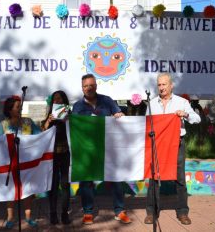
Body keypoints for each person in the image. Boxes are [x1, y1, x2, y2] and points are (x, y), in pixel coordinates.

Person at [72, 74, 131, 225]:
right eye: (86, 86)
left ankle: (119, 210)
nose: (89, 88)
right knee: (86, 181)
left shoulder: (107, 100)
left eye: (91, 85)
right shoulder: (77, 106)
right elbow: (75, 127)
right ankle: (88, 212)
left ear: (96, 86)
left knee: (116, 179)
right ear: (82, 88)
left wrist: (119, 114)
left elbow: (119, 114)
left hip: (108, 148)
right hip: (88, 150)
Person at [144, 73, 201, 226]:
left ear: (171, 85)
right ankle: (151, 211)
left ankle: (182, 212)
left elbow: (197, 119)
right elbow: (146, 123)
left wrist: (186, 114)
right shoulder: (152, 104)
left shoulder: (182, 102)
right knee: (154, 176)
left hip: (177, 143)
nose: (161, 88)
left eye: (164, 84)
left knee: (180, 178)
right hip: (157, 144)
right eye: (159, 85)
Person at [0, 95, 41, 229]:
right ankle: (10, 217)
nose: (20, 109)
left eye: (21, 107)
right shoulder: (2, 125)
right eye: (17, 107)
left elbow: (39, 136)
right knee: (10, 190)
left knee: (28, 190)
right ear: (9, 110)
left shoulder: (28, 121)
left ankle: (28, 217)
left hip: (27, 163)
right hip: (9, 163)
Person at [42, 90, 72, 225]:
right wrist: (48, 122)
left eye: (60, 98)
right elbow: (42, 134)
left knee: (65, 185)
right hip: (52, 156)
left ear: (64, 100)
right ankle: (53, 213)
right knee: (53, 186)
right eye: (55, 99)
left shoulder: (70, 114)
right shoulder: (49, 116)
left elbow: (76, 131)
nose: (57, 101)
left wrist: (68, 121)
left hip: (65, 154)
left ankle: (64, 213)